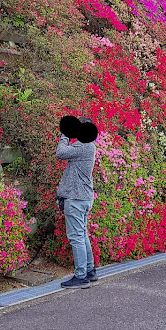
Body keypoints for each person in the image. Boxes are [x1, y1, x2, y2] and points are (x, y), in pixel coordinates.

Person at [57, 116, 98, 289]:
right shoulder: (89, 145)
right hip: (84, 197)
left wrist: (64, 135)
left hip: (75, 198)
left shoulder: (82, 146)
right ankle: (89, 270)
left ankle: (81, 276)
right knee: (82, 234)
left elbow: (60, 153)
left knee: (76, 237)